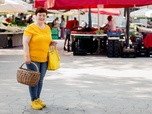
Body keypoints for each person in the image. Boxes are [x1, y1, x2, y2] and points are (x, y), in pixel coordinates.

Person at [22, 7, 57, 110]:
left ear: (46, 17)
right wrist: (27, 56)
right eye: (40, 15)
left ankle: (38, 98)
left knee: (40, 80)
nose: (42, 17)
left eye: (44, 15)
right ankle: (33, 100)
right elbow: (25, 42)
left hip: (44, 58)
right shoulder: (30, 28)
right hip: (32, 58)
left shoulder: (47, 28)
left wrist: (52, 43)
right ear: (35, 16)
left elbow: (47, 40)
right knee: (34, 80)